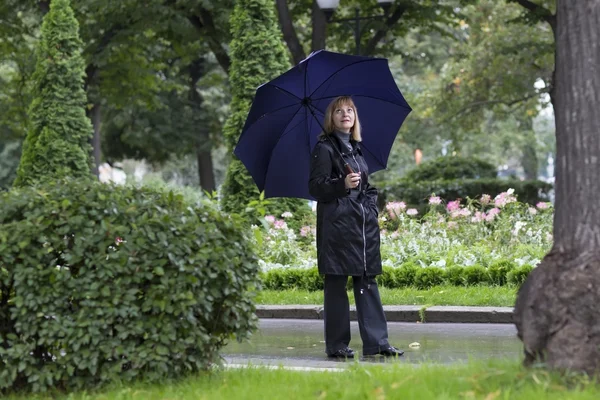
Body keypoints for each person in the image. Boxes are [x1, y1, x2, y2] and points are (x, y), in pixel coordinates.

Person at [309, 96, 404, 359]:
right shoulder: (324, 149)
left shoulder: (356, 148)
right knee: (337, 282)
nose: (345, 114)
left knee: (367, 281)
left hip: (362, 226)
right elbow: (316, 187)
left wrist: (371, 203)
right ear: (331, 117)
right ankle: (337, 345)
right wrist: (342, 184)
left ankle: (377, 342)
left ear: (355, 117)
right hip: (338, 225)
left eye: (349, 110)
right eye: (338, 111)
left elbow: (366, 185)